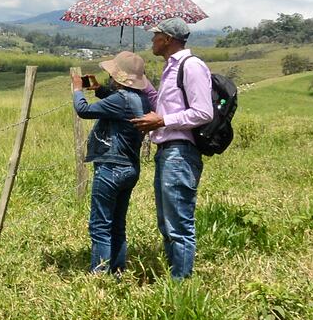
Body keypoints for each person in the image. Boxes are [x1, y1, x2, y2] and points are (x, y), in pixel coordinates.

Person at [130, 18, 213, 279]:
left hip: (180, 152)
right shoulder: (171, 68)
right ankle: (174, 277)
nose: (152, 40)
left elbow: (203, 112)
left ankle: (180, 285)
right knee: (166, 223)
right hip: (167, 151)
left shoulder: (192, 66)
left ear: (167, 39)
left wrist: (163, 120)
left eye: (155, 36)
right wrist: (141, 82)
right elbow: (166, 105)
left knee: (178, 224)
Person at [72, 52, 152, 275]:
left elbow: (83, 110)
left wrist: (77, 90)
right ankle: (117, 272)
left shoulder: (120, 99)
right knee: (117, 225)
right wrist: (99, 90)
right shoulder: (141, 99)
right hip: (129, 167)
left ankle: (99, 276)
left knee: (100, 225)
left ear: (119, 76)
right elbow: (119, 105)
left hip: (111, 167)